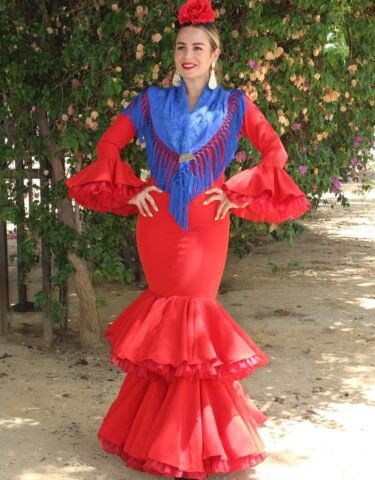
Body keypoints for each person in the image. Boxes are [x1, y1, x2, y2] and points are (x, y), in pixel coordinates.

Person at [65, 1, 311, 478]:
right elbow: (108, 146)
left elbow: (274, 151)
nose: (188, 54)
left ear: (215, 54)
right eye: (181, 47)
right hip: (156, 223)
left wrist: (236, 194)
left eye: (198, 47)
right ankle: (159, 437)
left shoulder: (235, 103)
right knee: (165, 323)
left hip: (207, 225)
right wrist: (134, 190)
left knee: (196, 321)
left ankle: (193, 442)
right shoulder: (150, 100)